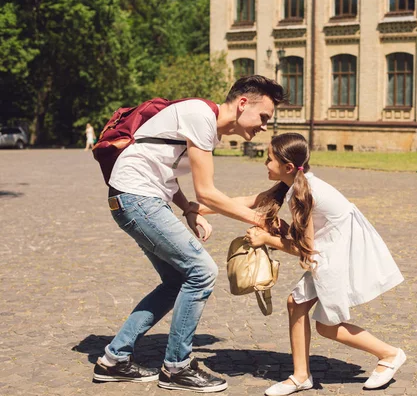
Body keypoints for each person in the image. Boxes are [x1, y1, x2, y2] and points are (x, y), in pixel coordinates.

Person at [92, 75, 285, 393]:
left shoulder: (203, 123)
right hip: (137, 197)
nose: (264, 126)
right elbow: (207, 192)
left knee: (177, 280)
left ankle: (115, 360)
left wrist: (188, 209)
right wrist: (258, 220)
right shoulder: (200, 116)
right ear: (242, 104)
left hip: (135, 197)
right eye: (263, 116)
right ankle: (176, 368)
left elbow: (163, 170)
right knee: (202, 271)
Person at [203, 133, 406, 395]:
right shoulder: (291, 184)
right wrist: (197, 208)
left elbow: (305, 251)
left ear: (287, 167)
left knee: (326, 326)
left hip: (340, 252)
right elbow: (248, 202)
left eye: (269, 159)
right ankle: (301, 375)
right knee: (299, 306)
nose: (265, 164)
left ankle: (389, 354)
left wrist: (266, 238)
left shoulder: (303, 193)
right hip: (330, 247)